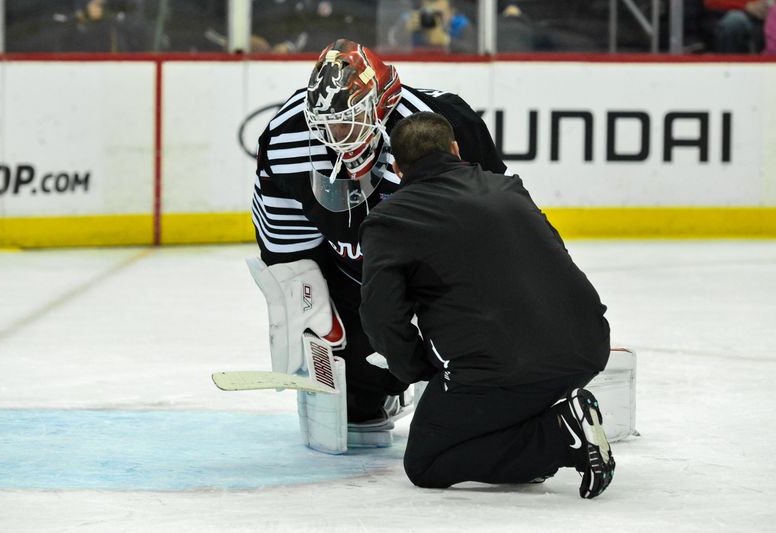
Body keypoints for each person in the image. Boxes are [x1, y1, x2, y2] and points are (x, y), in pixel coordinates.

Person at [250, 38, 506, 452]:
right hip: (355, 273)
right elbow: (288, 248)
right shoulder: (286, 136)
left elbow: (497, 223)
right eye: (327, 124)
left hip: (438, 269)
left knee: (483, 388)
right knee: (358, 410)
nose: (337, 136)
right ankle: (381, 385)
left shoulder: (438, 127)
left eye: (351, 120)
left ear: (384, 103)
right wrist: (317, 320)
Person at [358, 112, 614, 498]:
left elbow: (381, 316)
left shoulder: (389, 220)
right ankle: (551, 428)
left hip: (505, 368)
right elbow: (556, 254)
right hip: (589, 347)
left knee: (427, 461)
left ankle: (560, 434)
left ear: (396, 167)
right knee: (496, 405)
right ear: (456, 150)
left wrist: (419, 369)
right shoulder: (507, 187)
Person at [704, 0, 770, 52]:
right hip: (724, 15)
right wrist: (746, 6)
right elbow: (711, 2)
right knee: (735, 21)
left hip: (765, 15)